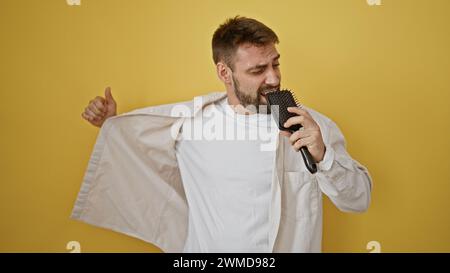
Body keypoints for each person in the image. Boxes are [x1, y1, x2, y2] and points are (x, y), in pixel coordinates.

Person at [73, 16, 372, 253]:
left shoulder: (310, 126)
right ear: (224, 72)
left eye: (275, 64)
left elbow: (358, 200)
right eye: (258, 70)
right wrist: (110, 124)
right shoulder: (191, 125)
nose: (274, 78)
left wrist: (324, 157)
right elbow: (137, 150)